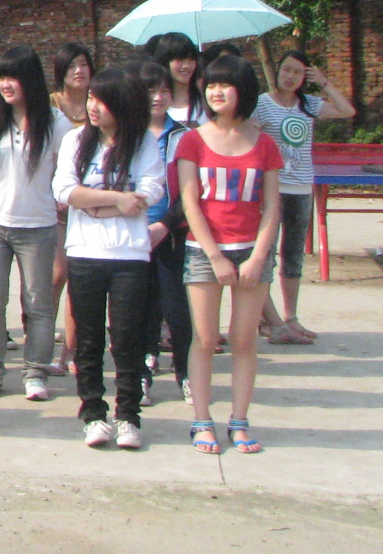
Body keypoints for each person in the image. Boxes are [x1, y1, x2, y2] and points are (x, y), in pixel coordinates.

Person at [177, 53, 283, 455]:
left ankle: (239, 421)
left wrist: (258, 257)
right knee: (205, 339)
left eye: (225, 84)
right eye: (211, 85)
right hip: (204, 252)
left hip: (252, 252)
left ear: (244, 90)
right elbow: (190, 204)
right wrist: (216, 256)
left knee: (243, 340)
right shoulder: (192, 140)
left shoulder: (265, 143)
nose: (216, 92)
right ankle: (202, 421)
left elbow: (272, 207)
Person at [53, 68, 165, 450]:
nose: (93, 106)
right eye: (91, 98)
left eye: (102, 100)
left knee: (128, 339)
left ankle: (128, 416)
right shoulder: (75, 140)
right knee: (88, 339)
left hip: (129, 253)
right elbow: (65, 190)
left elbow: (150, 190)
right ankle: (94, 414)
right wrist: (118, 200)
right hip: (85, 251)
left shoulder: (143, 142)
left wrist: (98, 205)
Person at [0, 47, 74, 401]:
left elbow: (61, 170)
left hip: (38, 225)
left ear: (30, 80)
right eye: (1, 77)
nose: (6, 85)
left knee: (38, 303)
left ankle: (36, 373)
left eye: (13, 77)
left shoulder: (57, 123)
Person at [254, 50, 353, 344]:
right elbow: (251, 142)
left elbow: (347, 111)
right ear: (277, 71)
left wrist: (323, 82)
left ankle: (291, 317)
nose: (290, 76)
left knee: (293, 254)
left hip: (301, 188)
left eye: (298, 72)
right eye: (286, 69)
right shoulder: (262, 104)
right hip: (271, 190)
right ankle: (266, 319)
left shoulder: (308, 104)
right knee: (265, 255)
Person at [139, 60, 192, 404]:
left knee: (177, 309)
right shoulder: (128, 134)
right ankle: (143, 372)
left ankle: (185, 372)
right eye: (150, 91)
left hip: (172, 234)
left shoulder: (185, 136)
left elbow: (192, 193)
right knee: (140, 308)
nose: (157, 97)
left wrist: (165, 225)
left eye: (164, 91)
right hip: (134, 235)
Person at [48, 42, 94, 376]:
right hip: (56, 202)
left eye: (83, 64)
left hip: (92, 202)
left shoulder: (99, 102)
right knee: (56, 275)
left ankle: (71, 349)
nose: (79, 71)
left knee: (79, 279)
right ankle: (42, 342)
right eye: (72, 65)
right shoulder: (51, 105)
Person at [149, 32, 205, 128]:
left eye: (191, 59)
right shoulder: (153, 102)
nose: (186, 66)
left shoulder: (205, 103)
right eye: (180, 60)